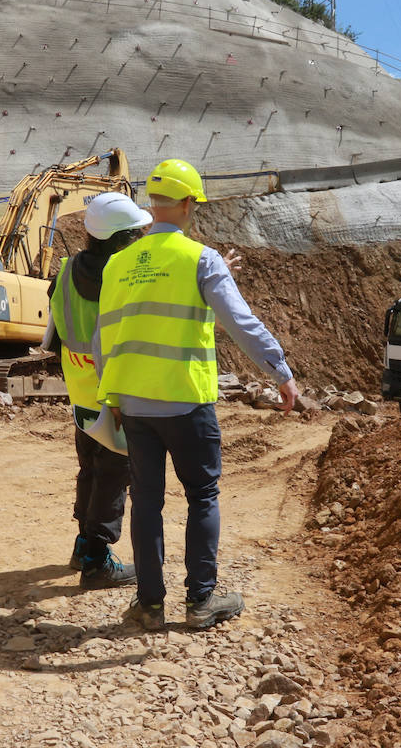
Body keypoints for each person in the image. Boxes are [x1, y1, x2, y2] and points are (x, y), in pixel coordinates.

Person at [96, 159, 299, 632]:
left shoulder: (118, 264)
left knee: (146, 500)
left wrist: (111, 398)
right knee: (202, 496)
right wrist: (279, 370)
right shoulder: (201, 259)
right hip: (186, 401)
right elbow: (239, 322)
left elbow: (103, 336)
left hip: (133, 404)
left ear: (153, 204)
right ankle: (200, 603)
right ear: (188, 204)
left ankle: (149, 604)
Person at [43, 192, 151, 590]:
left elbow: (54, 332)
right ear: (120, 238)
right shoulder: (123, 277)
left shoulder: (66, 271)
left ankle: (83, 543)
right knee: (114, 472)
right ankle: (96, 559)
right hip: (114, 391)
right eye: (135, 233)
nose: (140, 238)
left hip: (80, 390)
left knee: (90, 465)